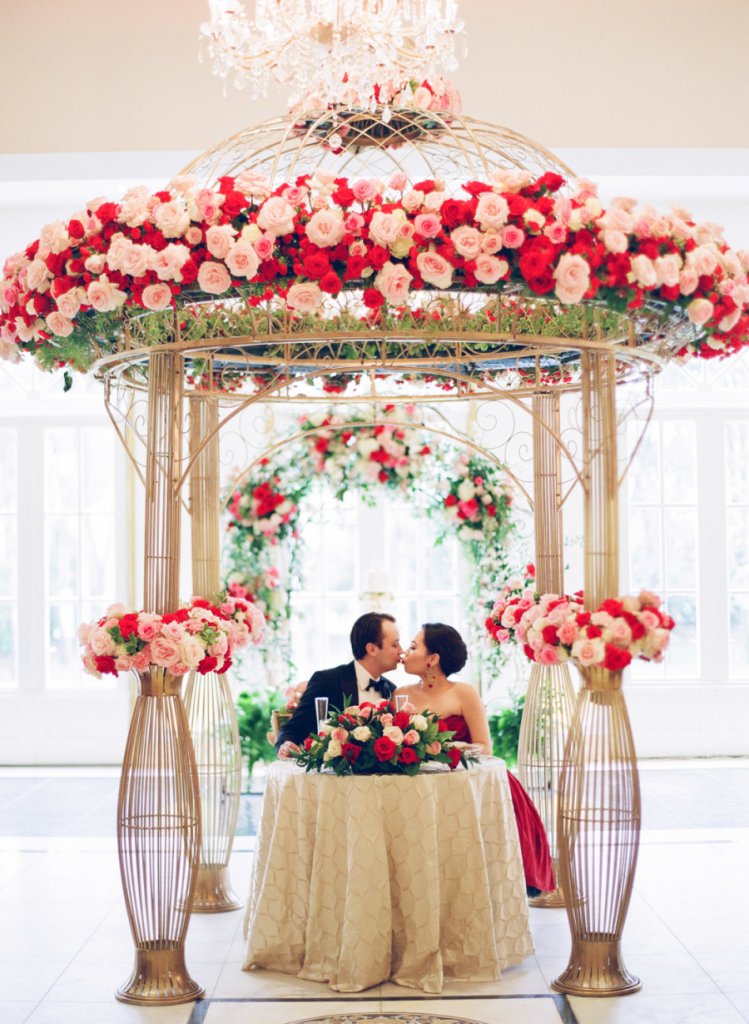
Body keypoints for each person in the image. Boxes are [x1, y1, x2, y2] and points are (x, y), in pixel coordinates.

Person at [398, 622, 555, 896]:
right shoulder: (401, 695)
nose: (404, 653)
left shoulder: (464, 693)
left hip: (465, 782)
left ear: (432, 658)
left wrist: (450, 747)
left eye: (413, 647)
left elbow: (485, 746)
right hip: (420, 786)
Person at [276, 611, 403, 758]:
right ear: (372, 649)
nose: (401, 651)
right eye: (395, 644)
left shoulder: (391, 690)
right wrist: (285, 744)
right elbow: (292, 729)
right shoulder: (326, 681)